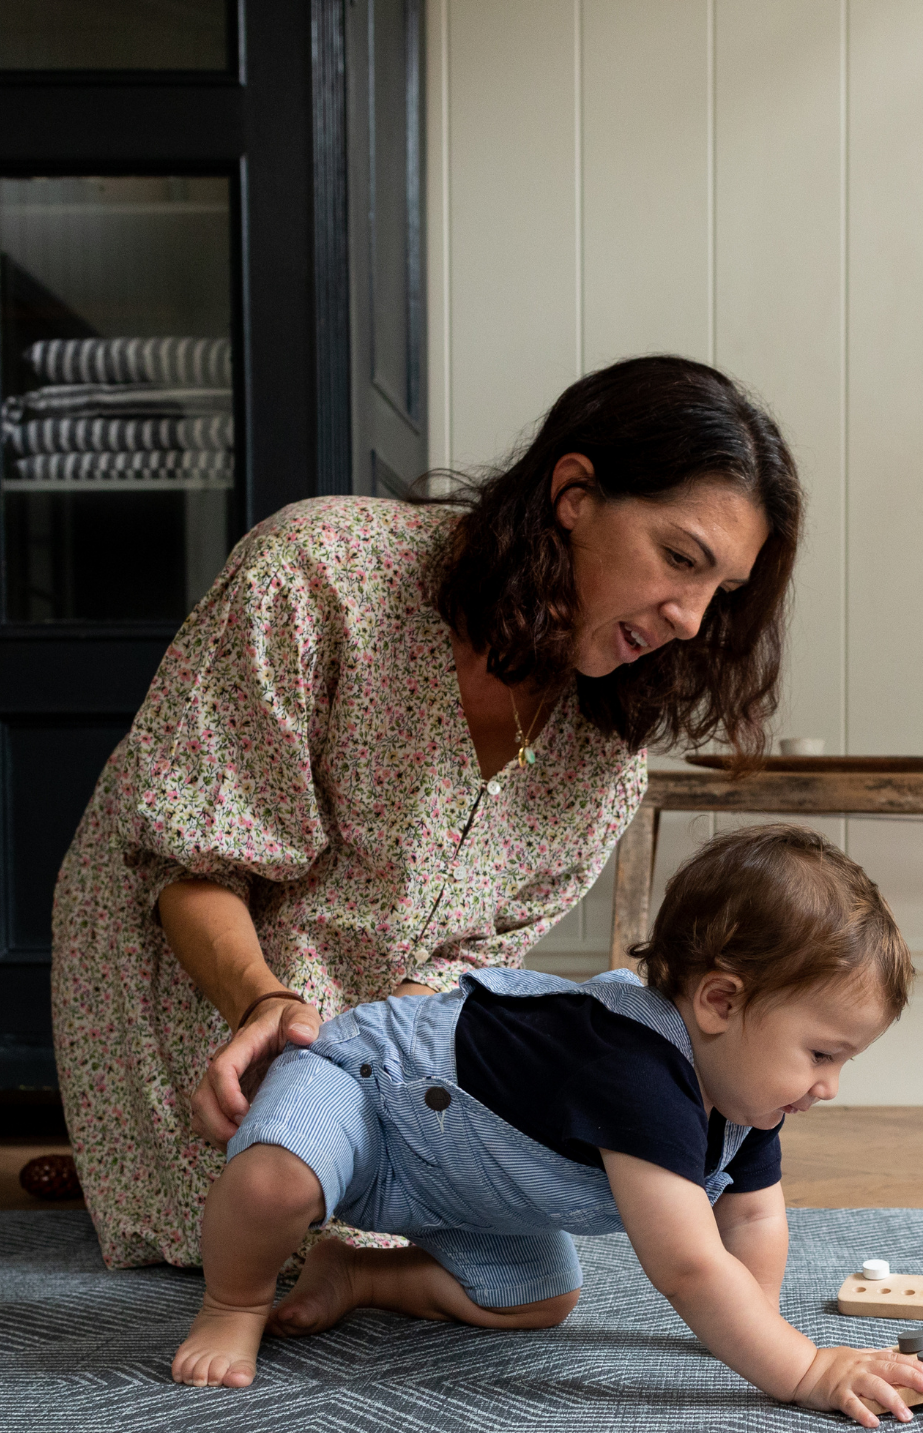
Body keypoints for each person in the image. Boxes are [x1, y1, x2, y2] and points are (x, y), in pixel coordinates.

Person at [52, 355, 800, 1273]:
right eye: (679, 559)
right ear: (574, 492)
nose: (690, 619)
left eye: (719, 592)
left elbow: (465, 970)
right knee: (250, 1222)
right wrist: (266, 1005)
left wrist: (405, 1088)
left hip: (373, 1027)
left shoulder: (608, 738)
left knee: (473, 1249)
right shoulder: (320, 574)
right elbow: (191, 862)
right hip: (208, 963)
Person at [170, 825, 923, 1426]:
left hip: (469, 1192)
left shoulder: (746, 1096)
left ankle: (361, 1275)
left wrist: (755, 1324)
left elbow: (755, 1217)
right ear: (721, 1003)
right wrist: (802, 1368)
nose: (828, 1087)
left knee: (539, 1297)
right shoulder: (636, 1066)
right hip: (371, 1097)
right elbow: (691, 1267)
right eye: (822, 1053)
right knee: (274, 1180)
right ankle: (235, 1303)